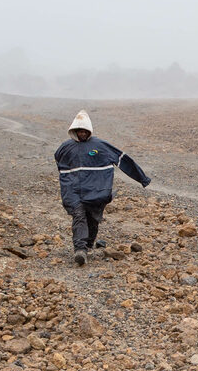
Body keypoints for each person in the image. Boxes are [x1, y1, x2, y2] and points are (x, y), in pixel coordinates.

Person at [54, 110, 149, 266]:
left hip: (96, 191)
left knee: (93, 219)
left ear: (89, 131)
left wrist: (142, 178)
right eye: (79, 131)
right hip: (73, 191)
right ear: (74, 131)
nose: (82, 134)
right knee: (79, 216)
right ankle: (80, 250)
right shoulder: (65, 148)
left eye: (85, 131)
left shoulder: (100, 146)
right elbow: (59, 161)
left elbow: (123, 160)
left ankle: (87, 245)